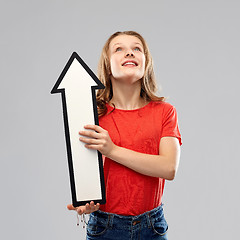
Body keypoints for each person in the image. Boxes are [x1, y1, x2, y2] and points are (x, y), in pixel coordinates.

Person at [67, 31, 182, 239]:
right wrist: (86, 201)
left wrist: (112, 150)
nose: (129, 53)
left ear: (146, 63)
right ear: (107, 65)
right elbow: (86, 171)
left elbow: (169, 167)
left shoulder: (165, 112)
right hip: (104, 227)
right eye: (119, 49)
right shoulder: (92, 114)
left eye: (136, 48)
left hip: (152, 227)